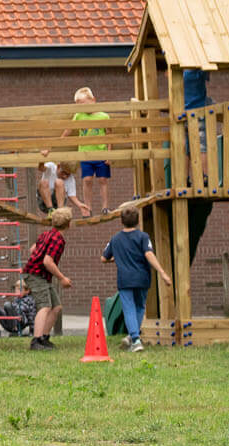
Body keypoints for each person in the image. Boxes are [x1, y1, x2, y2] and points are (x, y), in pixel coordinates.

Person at [101, 205, 167, 352]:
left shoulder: (115, 239)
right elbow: (148, 254)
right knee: (139, 307)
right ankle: (133, 337)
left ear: (121, 221)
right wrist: (161, 272)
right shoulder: (143, 237)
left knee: (129, 308)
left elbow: (103, 258)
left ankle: (135, 339)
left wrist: (115, 258)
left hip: (125, 280)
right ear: (138, 221)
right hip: (142, 278)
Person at [21, 208, 73, 350]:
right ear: (69, 224)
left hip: (39, 274)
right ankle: (36, 341)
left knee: (56, 307)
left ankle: (44, 338)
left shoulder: (47, 234)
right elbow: (47, 261)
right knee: (44, 306)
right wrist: (62, 278)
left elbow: (33, 249)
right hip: (36, 275)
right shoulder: (58, 240)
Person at [67, 88, 113, 214]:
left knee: (102, 179)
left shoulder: (103, 116)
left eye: (83, 104)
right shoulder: (78, 116)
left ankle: (105, 207)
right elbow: (69, 130)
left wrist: (109, 154)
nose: (81, 108)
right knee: (87, 180)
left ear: (93, 100)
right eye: (78, 106)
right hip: (85, 154)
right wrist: (57, 142)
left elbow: (109, 135)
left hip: (101, 153)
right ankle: (88, 208)